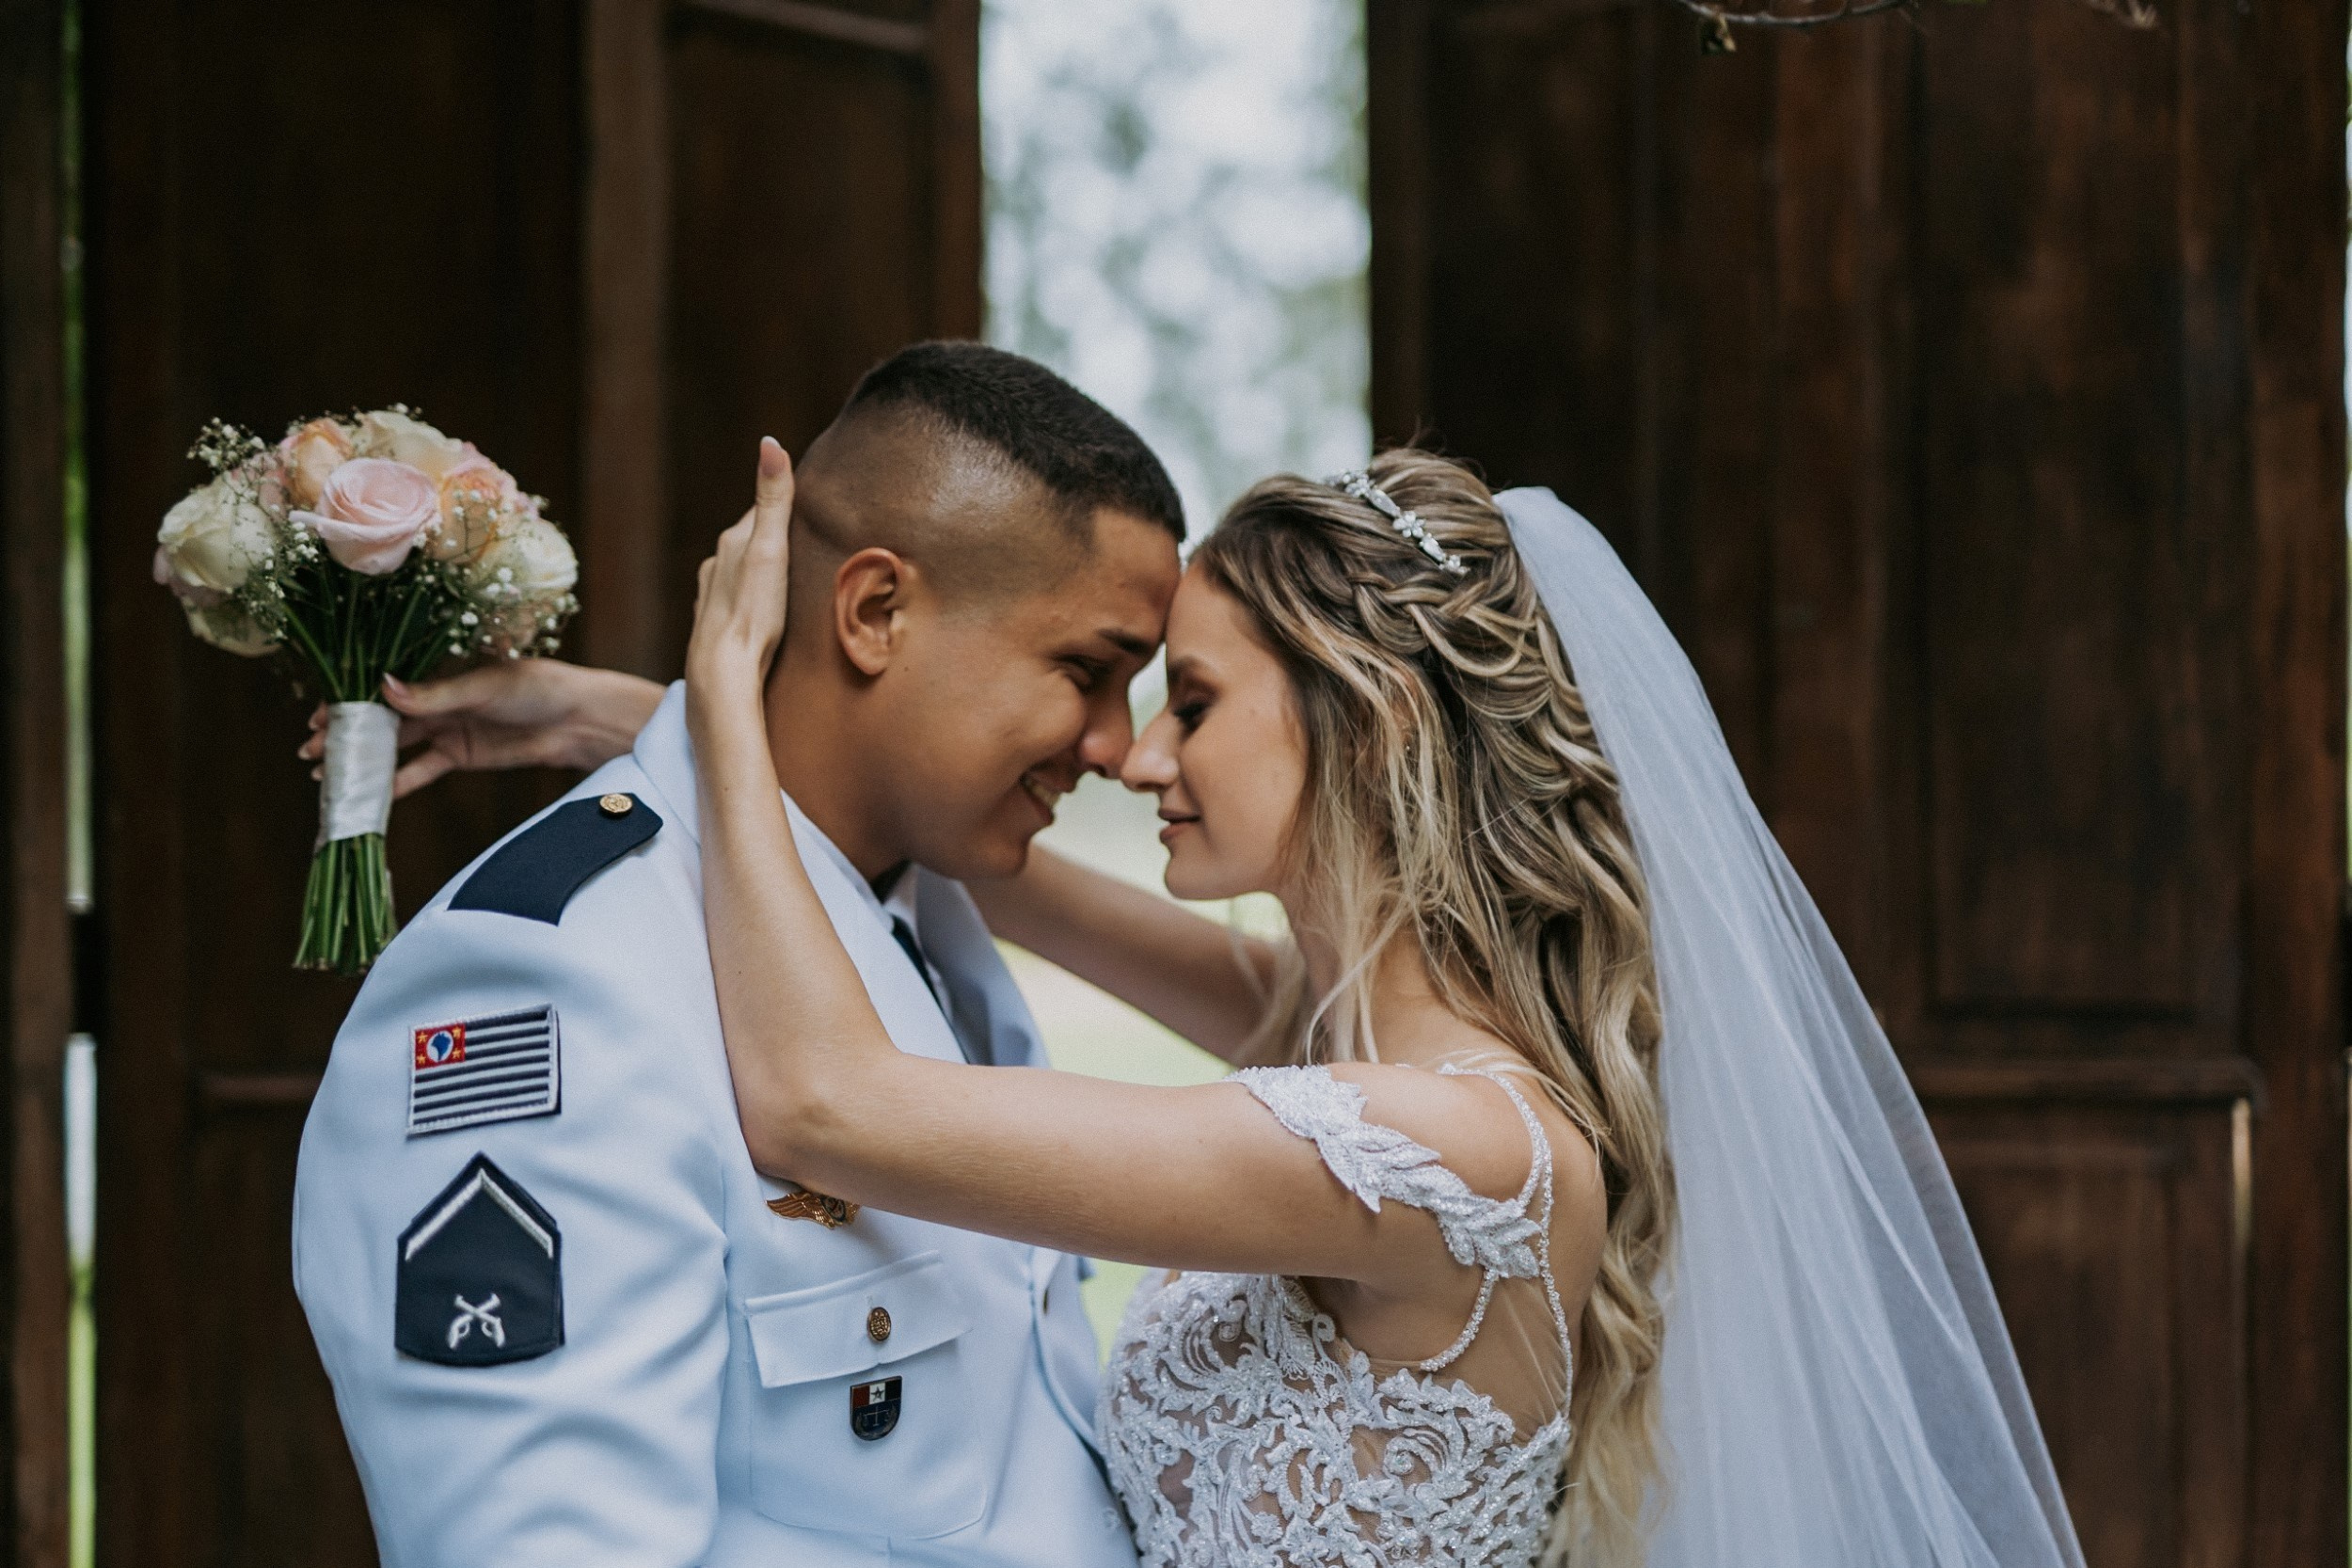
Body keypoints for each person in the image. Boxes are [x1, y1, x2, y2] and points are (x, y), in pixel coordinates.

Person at [420, 443, 2088, 1567]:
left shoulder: (1442, 1155)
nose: (1138, 756)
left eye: (1196, 703)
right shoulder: (1352, 1039)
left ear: (1369, 721)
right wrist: (612, 716)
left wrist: (729, 691)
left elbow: (823, 1104)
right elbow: (992, 860)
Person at [291, 341, 1186, 1566]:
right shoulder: (553, 982)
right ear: (874, 613)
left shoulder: (928, 918)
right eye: (1087, 671)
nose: (1117, 747)